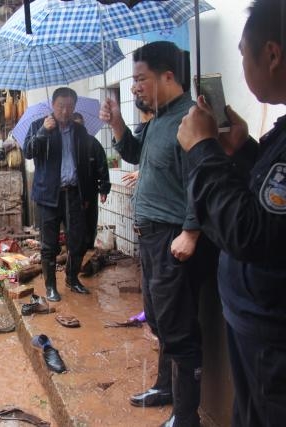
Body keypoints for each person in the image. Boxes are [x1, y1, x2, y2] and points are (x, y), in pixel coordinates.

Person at [177, 1, 286, 425]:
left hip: (274, 341)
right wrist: (242, 152)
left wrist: (204, 151)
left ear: (272, 55)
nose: (242, 63)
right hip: (256, 323)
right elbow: (269, 205)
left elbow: (251, 234)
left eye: (243, 53)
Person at [100, 41, 218, 427]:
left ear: (168, 76)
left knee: (178, 326)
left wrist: (191, 231)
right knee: (159, 317)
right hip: (150, 237)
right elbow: (135, 155)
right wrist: (116, 123)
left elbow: (201, 181)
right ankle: (165, 387)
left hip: (173, 237)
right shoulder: (159, 118)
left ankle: (186, 417)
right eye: (134, 80)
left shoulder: (190, 119)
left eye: (140, 79)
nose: (135, 87)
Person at [24, 87, 111, 301]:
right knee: (49, 244)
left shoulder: (80, 132)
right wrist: (43, 131)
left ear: (74, 107)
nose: (65, 111)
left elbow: (95, 158)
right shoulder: (39, 125)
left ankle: (72, 279)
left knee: (77, 241)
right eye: (61, 106)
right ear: (53, 106)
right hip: (48, 196)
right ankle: (51, 286)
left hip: (74, 194)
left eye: (69, 106)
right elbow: (27, 151)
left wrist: (101, 185)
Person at [71, 112, 112, 250]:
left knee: (89, 223)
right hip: (71, 192)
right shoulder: (66, 144)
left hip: (90, 191)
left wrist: (104, 189)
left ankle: (88, 252)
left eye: (80, 125)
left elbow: (102, 166)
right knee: (73, 225)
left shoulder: (93, 143)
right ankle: (75, 254)